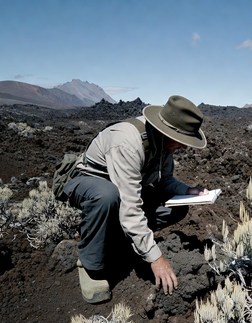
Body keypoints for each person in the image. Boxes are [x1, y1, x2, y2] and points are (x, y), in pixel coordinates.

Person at [63, 95, 208, 304]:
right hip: (88, 183)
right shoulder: (128, 142)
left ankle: (120, 241)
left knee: (176, 205)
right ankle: (89, 264)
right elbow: (130, 207)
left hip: (124, 188)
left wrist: (188, 190)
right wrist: (156, 258)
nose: (185, 147)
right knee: (107, 196)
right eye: (183, 141)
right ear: (168, 131)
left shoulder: (164, 143)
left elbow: (164, 180)